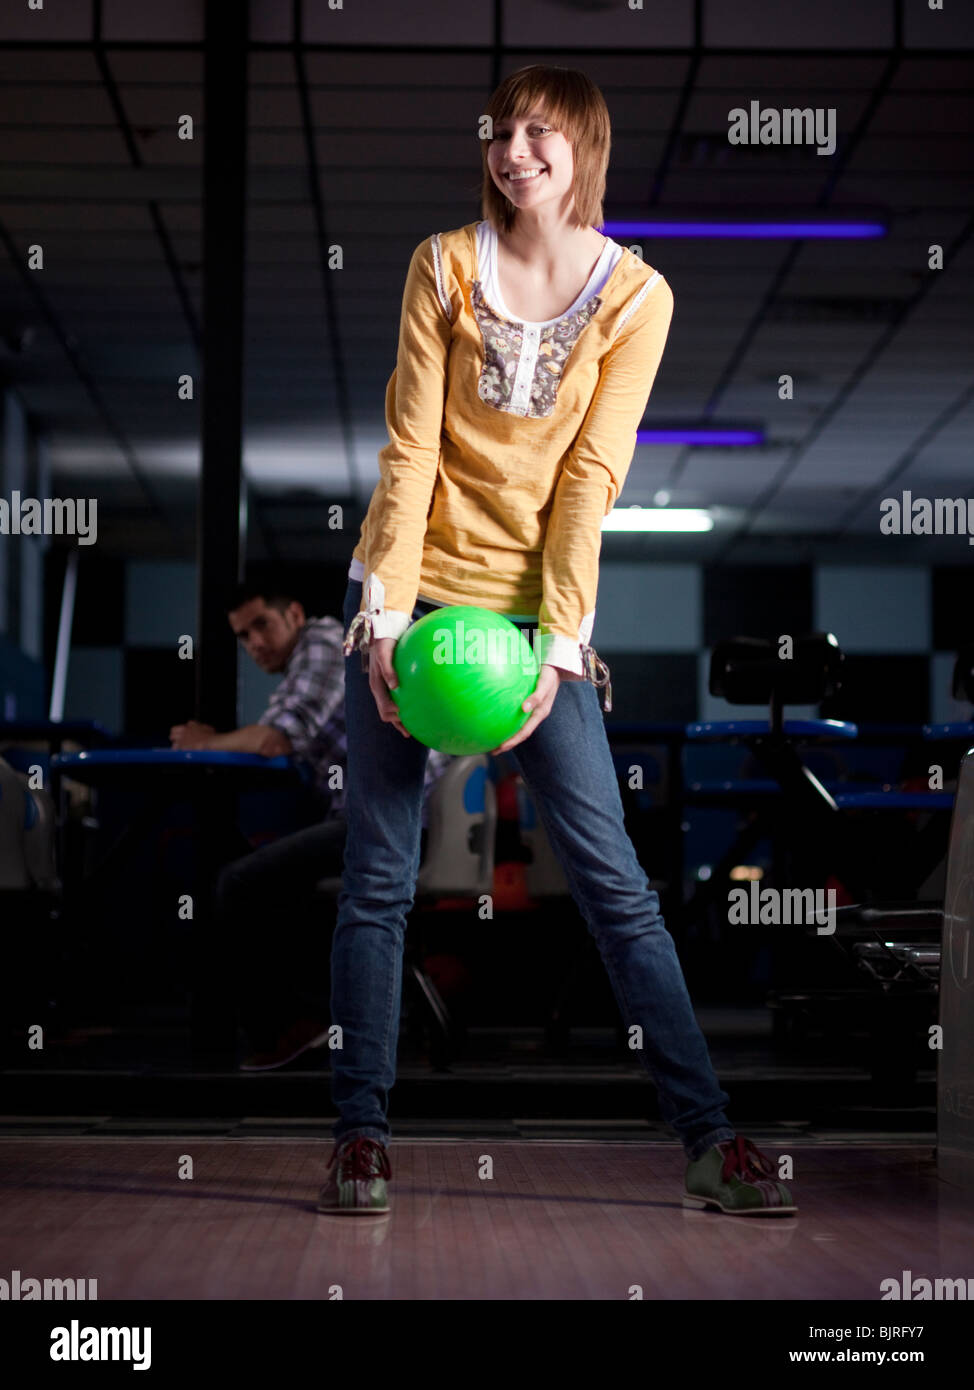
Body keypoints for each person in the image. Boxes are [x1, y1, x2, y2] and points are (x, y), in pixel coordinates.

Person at [318, 64, 796, 1219]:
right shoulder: (441, 264)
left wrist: (562, 645)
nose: (514, 149)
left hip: (537, 625)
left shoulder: (638, 297)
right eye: (501, 131)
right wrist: (380, 619)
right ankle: (358, 1138)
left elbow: (590, 479)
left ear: (582, 150)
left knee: (619, 889)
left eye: (541, 132)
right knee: (377, 883)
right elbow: (409, 448)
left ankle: (708, 1136)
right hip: (417, 603)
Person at [169, 581, 450, 1070]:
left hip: (387, 822)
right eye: (243, 635)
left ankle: (290, 1030)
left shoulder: (322, 643)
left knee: (238, 883)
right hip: (396, 818)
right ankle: (319, 1022)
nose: (255, 642)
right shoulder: (321, 649)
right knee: (274, 878)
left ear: (294, 614)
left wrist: (205, 741)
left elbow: (276, 740)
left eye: (263, 625)